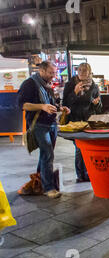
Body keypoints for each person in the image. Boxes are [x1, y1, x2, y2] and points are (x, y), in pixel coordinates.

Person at [17, 61, 71, 199]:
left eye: (54, 73)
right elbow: (23, 104)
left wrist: (60, 108)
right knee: (47, 154)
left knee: (45, 155)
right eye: (50, 73)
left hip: (51, 123)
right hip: (39, 125)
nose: (53, 76)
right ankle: (49, 188)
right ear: (41, 71)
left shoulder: (46, 84)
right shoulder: (29, 84)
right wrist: (42, 106)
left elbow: (51, 104)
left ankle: (39, 182)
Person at [63, 63, 102, 183]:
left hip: (88, 122)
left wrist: (97, 103)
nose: (81, 72)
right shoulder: (70, 84)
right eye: (79, 70)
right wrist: (74, 92)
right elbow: (65, 103)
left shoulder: (94, 86)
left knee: (87, 148)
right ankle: (81, 175)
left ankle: (87, 172)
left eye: (85, 70)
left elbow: (98, 106)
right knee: (79, 148)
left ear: (90, 72)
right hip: (75, 122)